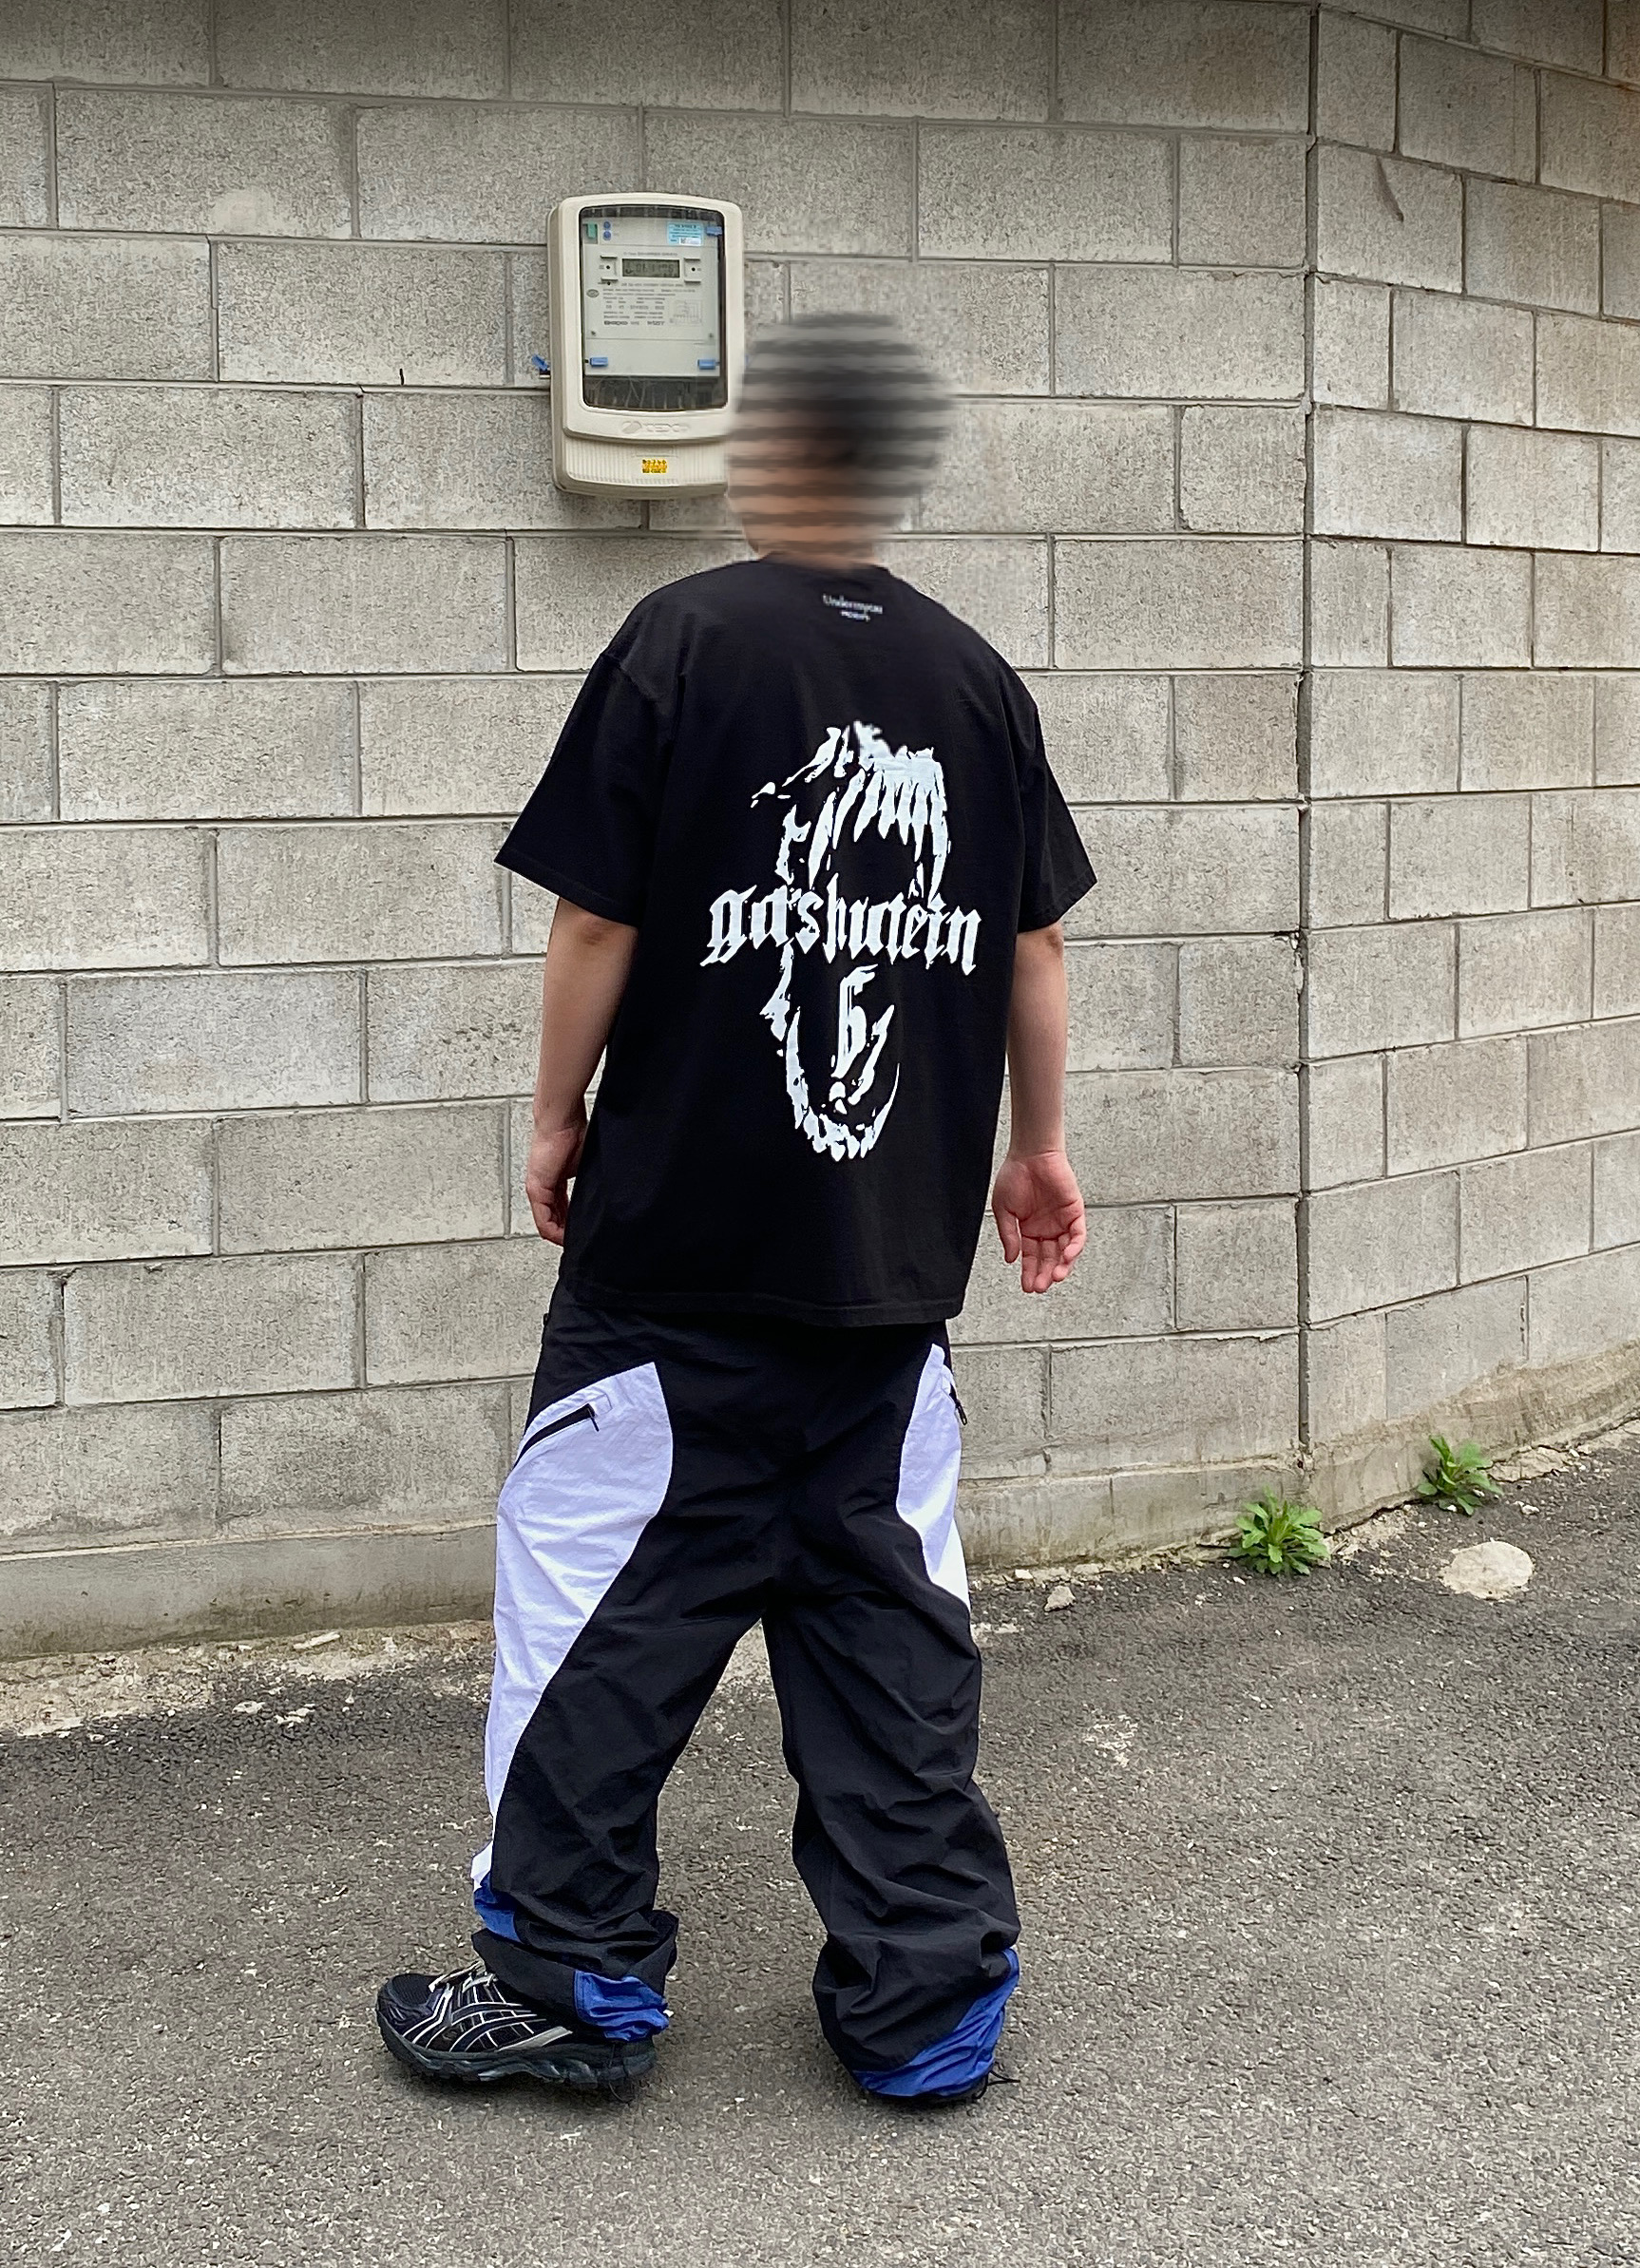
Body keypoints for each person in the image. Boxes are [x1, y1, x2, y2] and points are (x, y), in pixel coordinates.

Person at [376, 314, 1095, 2106]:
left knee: (597, 1623)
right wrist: (1037, 1147)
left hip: (675, 1277)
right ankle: (925, 2010)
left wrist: (554, 1114)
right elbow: (1031, 945)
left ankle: (567, 1984)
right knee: (885, 1644)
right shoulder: (977, 681)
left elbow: (597, 917)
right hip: (889, 1288)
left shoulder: (681, 640)